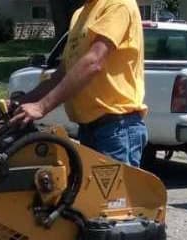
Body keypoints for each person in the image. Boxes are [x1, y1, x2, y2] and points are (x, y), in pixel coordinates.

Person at [10, 0, 148, 167]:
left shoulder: (118, 4)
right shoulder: (80, 14)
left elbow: (94, 62)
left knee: (112, 193)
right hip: (88, 129)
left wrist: (41, 107)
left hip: (117, 129)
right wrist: (20, 104)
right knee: (87, 192)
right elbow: (62, 74)